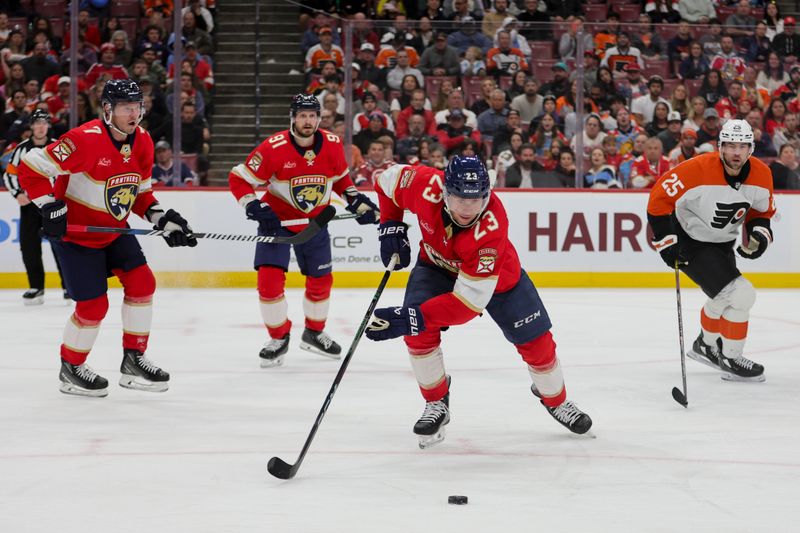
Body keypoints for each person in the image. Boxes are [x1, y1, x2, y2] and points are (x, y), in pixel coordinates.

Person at [365, 155, 593, 449]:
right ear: (444, 191)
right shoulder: (423, 184)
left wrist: (410, 317)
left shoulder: (491, 227)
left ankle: (556, 400)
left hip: (500, 282)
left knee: (538, 345)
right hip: (436, 267)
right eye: (459, 198)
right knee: (418, 334)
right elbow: (385, 181)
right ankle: (437, 403)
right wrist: (390, 226)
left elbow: (466, 306)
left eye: (477, 199)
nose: (467, 208)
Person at [16, 79, 197, 397]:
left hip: (114, 231)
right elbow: (30, 168)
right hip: (77, 237)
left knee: (143, 283)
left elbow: (139, 193)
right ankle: (71, 368)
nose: (134, 114)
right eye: (126, 108)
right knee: (92, 307)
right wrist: (49, 207)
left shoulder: (142, 140)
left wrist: (162, 219)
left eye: (137, 107)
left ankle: (134, 359)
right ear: (108, 109)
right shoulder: (83, 140)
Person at [227, 94, 380, 367]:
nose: (307, 121)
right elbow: (239, 178)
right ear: (292, 118)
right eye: (302, 115)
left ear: (319, 118)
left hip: (315, 223)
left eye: (312, 116)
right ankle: (278, 337)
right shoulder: (273, 148)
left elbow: (342, 180)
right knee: (269, 283)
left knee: (321, 282)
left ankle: (314, 333)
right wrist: (253, 206)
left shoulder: (333, 144)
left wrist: (357, 201)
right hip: (276, 223)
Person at [647, 119, 775, 382]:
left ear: (751, 148)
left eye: (742, 146)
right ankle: (730, 356)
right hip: (689, 241)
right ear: (720, 147)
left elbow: (761, 212)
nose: (736, 152)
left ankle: (705, 345)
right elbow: (658, 199)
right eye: (730, 145)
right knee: (742, 295)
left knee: (726, 297)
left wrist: (759, 237)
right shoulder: (696, 169)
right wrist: (666, 241)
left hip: (722, 242)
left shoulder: (762, 174)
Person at [2, 109, 66, 304]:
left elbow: (68, 174)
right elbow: (10, 174)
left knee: (61, 246)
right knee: (29, 246)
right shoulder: (21, 149)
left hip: (54, 205)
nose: (40, 126)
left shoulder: (58, 147)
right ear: (31, 126)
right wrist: (18, 193)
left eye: (44, 123)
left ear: (48, 126)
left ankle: (68, 286)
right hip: (30, 206)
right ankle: (36, 287)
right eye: (37, 123)